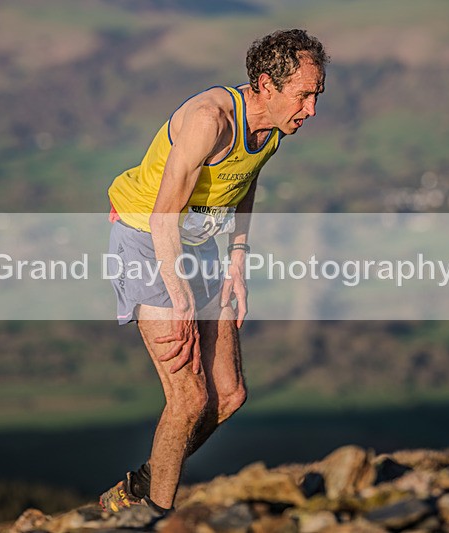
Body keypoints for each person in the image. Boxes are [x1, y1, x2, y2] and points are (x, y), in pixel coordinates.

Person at [100, 28, 328, 524]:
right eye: (304, 95)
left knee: (228, 394)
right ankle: (157, 516)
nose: (311, 110)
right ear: (267, 84)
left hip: (198, 242)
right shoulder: (211, 121)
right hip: (147, 237)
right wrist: (180, 299)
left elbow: (245, 182)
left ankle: (141, 484)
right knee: (189, 396)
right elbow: (163, 215)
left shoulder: (274, 127)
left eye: (316, 96)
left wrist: (237, 265)